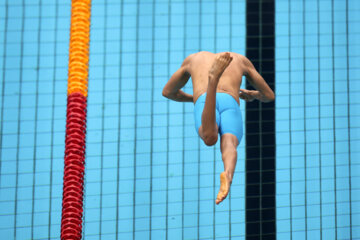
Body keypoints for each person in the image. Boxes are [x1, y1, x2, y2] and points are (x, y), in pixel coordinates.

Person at [162, 52, 275, 205]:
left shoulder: (194, 59)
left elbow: (168, 92)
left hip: (204, 99)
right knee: (230, 143)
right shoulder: (240, 60)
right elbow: (269, 95)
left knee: (210, 138)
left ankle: (212, 80)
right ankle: (228, 174)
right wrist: (253, 94)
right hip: (231, 102)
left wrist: (193, 97)